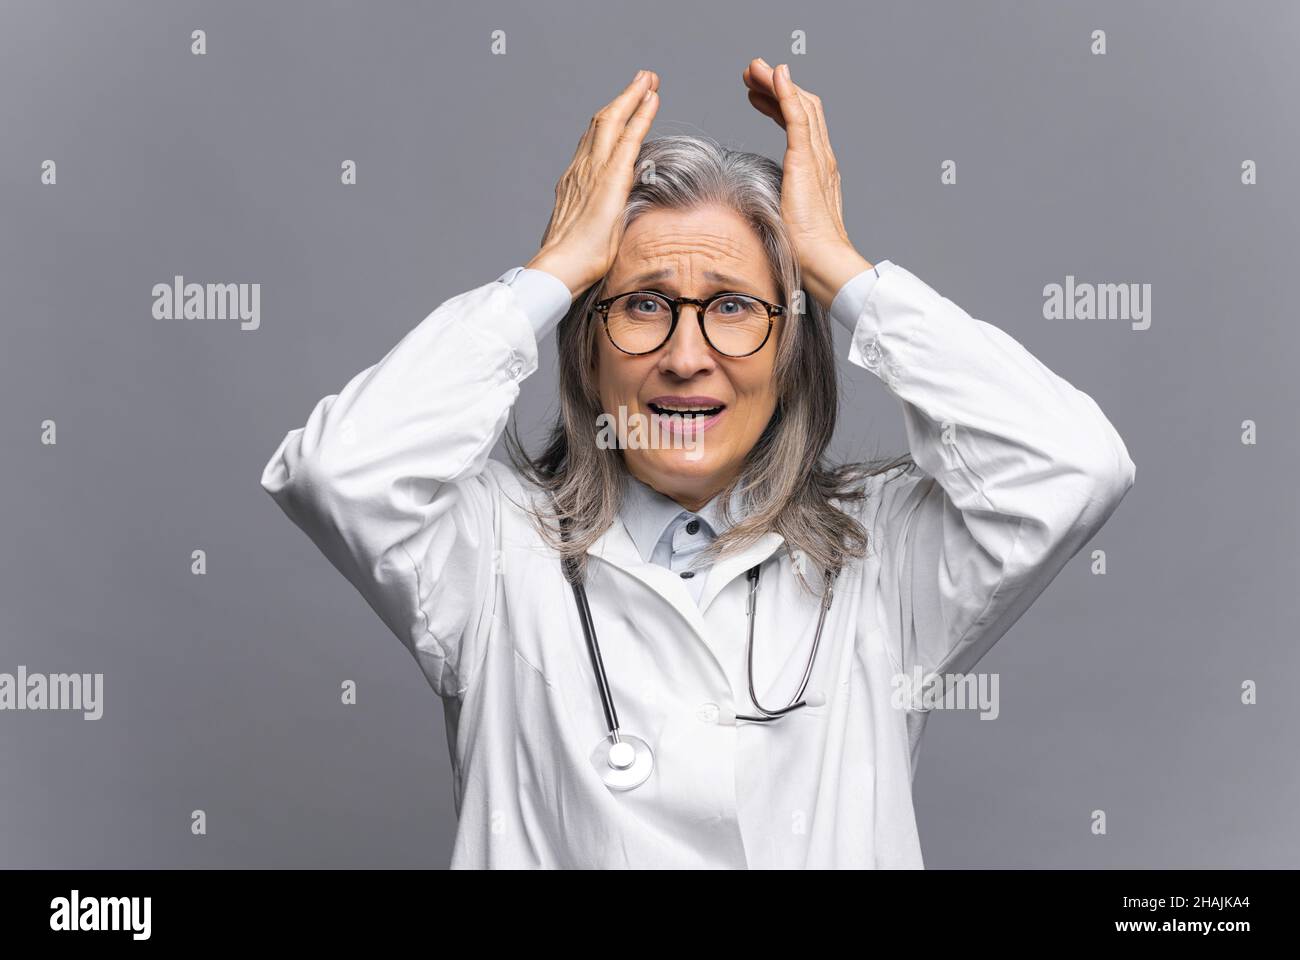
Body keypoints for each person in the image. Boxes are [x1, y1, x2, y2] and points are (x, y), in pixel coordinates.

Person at [260, 61, 1136, 868]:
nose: (686, 356)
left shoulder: (883, 555)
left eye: (732, 307)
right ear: (585, 346)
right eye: (643, 305)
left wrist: (839, 270)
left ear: (792, 345)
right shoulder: (489, 549)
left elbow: (1072, 466)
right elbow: (339, 471)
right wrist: (553, 270)